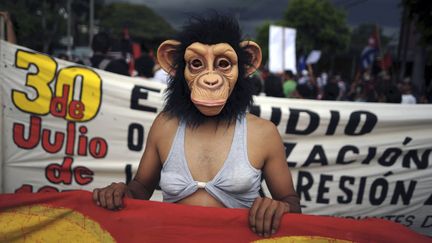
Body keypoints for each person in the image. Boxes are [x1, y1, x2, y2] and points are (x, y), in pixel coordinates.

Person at [93, 14, 301, 238]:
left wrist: (281, 207)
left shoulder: (263, 132)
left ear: (245, 66)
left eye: (223, 64)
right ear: (175, 66)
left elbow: (291, 202)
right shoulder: (166, 125)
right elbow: (141, 187)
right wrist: (123, 192)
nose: (210, 79)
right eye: (196, 64)